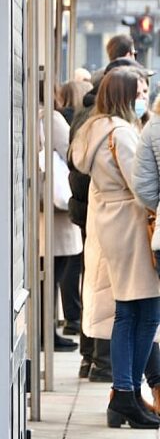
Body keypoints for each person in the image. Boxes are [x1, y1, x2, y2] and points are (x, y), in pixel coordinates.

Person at [71, 67, 160, 429]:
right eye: (138, 92)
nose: (143, 99)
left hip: (109, 224)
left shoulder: (92, 129)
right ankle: (125, 393)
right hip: (132, 226)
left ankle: (124, 395)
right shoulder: (121, 133)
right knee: (148, 314)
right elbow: (140, 183)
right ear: (124, 95)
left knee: (127, 312)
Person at [39, 98, 83, 351]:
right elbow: (71, 152)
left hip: (43, 211)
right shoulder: (51, 117)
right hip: (56, 212)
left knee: (49, 274)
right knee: (54, 273)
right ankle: (47, 332)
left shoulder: (30, 115)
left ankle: (47, 331)